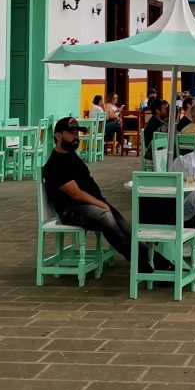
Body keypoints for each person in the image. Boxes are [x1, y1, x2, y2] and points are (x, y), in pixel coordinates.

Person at [42, 117, 168, 273]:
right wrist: (101, 204)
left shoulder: (72, 156)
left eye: (77, 134)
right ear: (58, 136)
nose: (76, 137)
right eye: (72, 133)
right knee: (105, 217)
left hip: (93, 204)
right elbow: (75, 193)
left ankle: (157, 260)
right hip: (72, 210)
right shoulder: (54, 164)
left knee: (127, 228)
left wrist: (102, 204)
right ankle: (139, 261)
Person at [142, 97, 169, 161]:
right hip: (157, 153)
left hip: (154, 151)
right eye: (165, 109)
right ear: (157, 110)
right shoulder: (158, 124)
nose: (166, 111)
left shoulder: (153, 121)